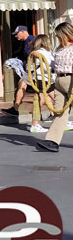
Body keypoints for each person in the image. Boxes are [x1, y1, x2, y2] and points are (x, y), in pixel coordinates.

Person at [37, 22, 73, 152]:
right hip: (59, 80)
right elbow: (52, 63)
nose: (57, 38)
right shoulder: (59, 49)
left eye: (59, 36)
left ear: (66, 34)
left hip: (70, 80)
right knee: (59, 112)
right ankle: (52, 141)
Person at [2, 25, 35, 117]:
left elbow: (33, 55)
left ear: (23, 32)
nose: (16, 36)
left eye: (17, 34)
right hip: (29, 69)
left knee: (45, 92)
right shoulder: (25, 42)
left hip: (33, 70)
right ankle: (15, 109)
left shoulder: (31, 40)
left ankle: (56, 112)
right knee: (22, 85)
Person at [27, 35, 56, 133]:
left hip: (38, 79)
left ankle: (35, 124)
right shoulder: (44, 53)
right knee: (57, 98)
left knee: (40, 100)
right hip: (45, 79)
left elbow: (28, 67)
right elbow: (50, 64)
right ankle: (60, 120)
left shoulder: (34, 53)